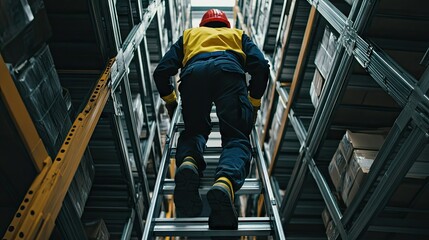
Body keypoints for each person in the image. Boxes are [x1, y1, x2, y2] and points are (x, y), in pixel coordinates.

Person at [153, 8, 269, 230]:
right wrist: (254, 102)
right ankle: (225, 183)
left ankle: (188, 163)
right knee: (237, 137)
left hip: (193, 75)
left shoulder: (189, 35)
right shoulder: (237, 35)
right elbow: (261, 67)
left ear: (202, 25)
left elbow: (161, 71)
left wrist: (171, 101)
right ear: (225, 24)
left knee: (194, 131)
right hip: (229, 73)